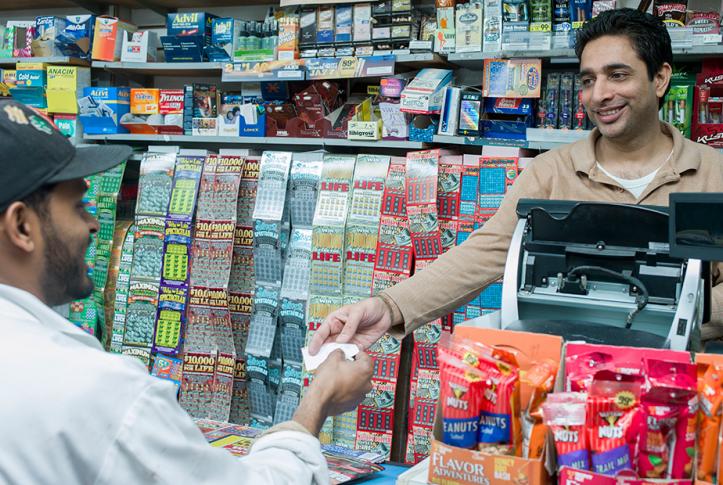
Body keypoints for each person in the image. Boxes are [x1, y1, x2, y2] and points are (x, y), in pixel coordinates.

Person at [309, 8, 723, 356]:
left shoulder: (711, 173)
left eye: (617, 75)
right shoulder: (552, 172)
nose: (599, 95)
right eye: (587, 80)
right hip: (566, 383)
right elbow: (485, 252)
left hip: (682, 378)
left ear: (660, 78)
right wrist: (388, 306)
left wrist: (671, 317)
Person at [0, 100, 373, 484]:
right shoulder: (100, 393)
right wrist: (317, 403)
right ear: (22, 227)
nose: (93, 224)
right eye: (78, 207)